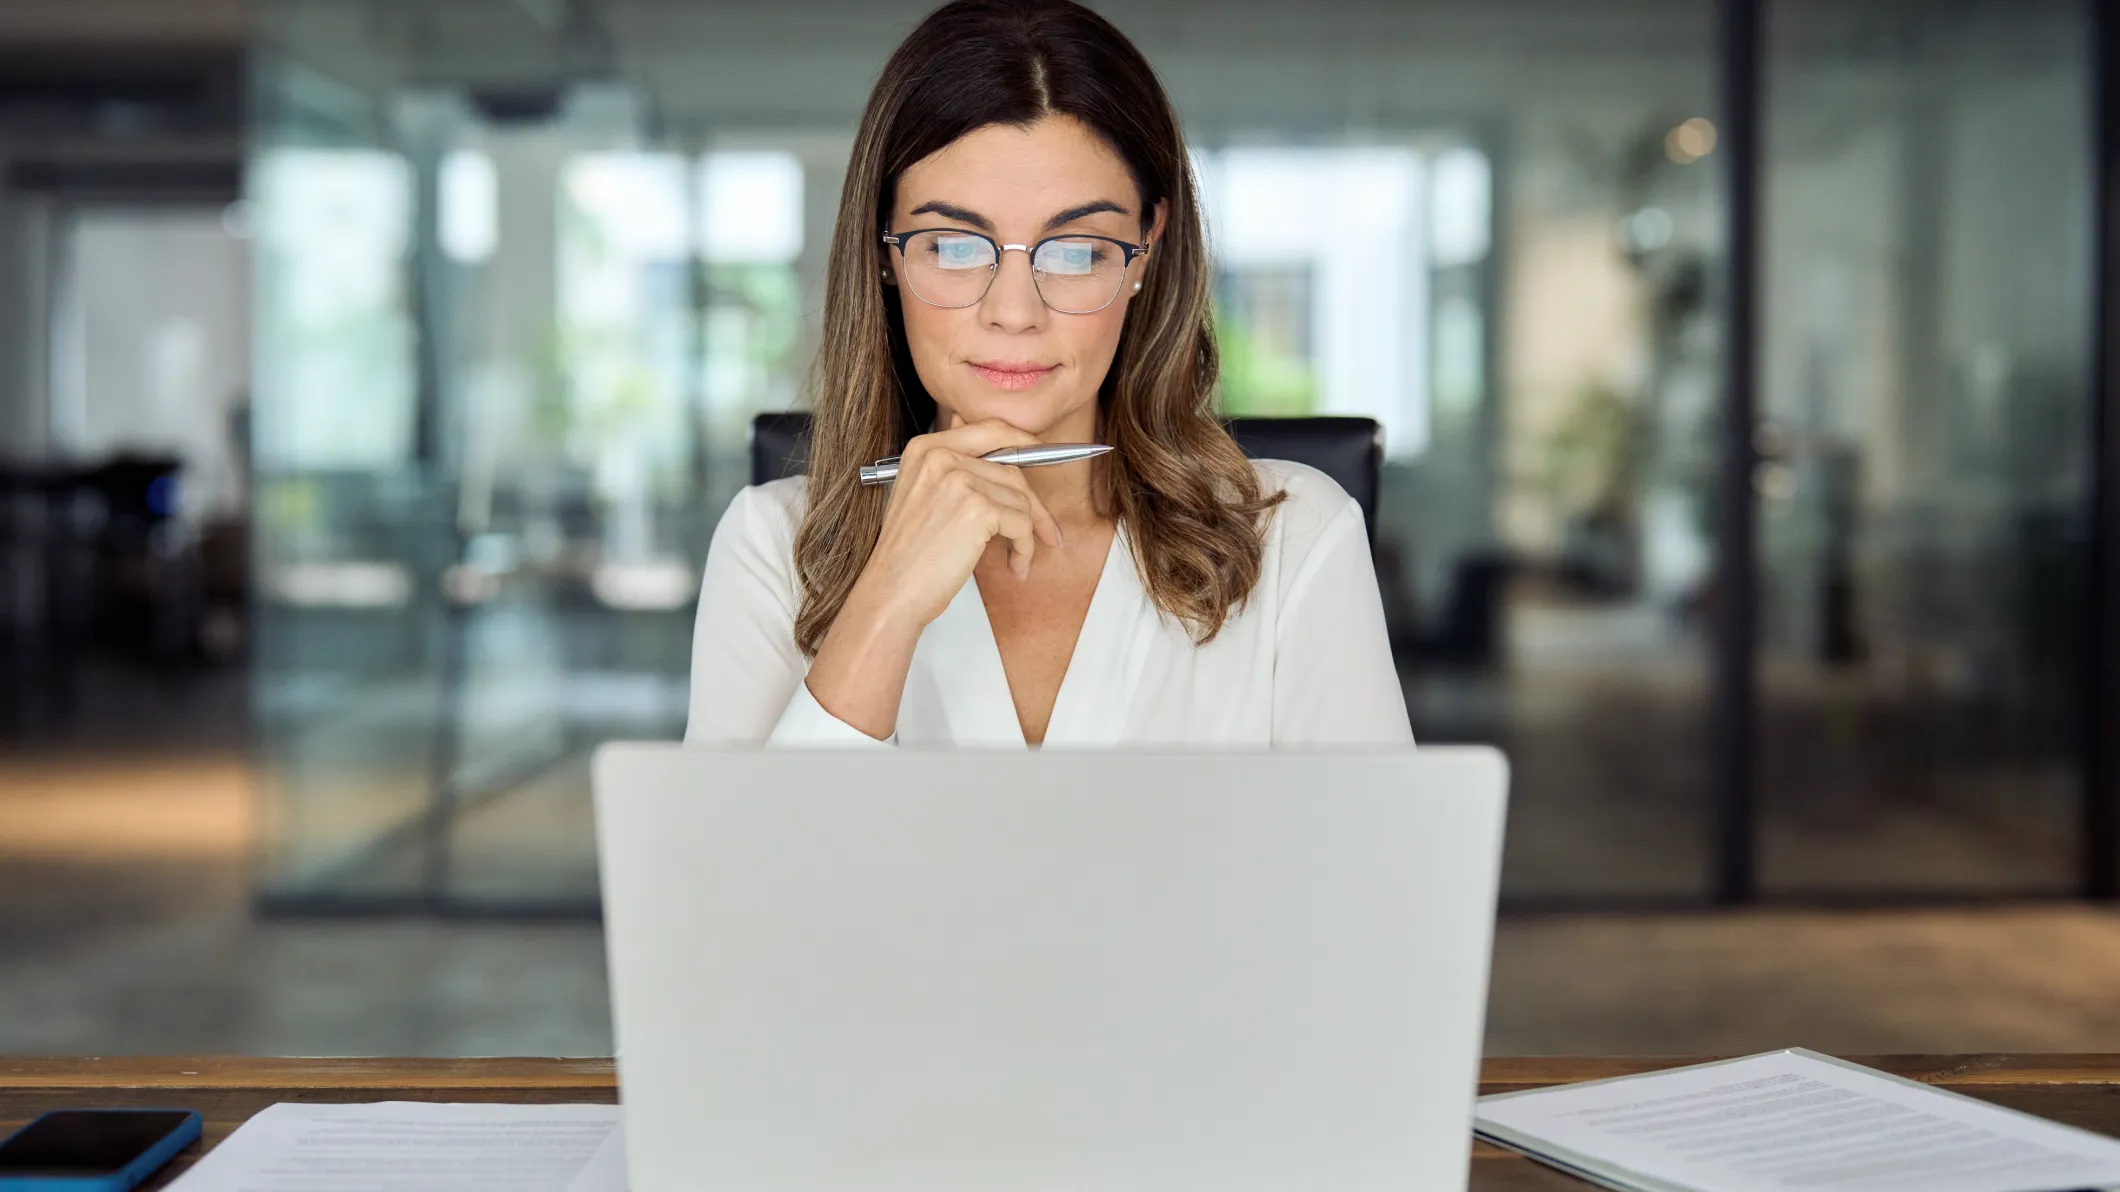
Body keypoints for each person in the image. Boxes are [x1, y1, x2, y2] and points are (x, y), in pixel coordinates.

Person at [686, 0, 1411, 748]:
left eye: (1076, 250)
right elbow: (743, 866)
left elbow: (1384, 865)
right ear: (886, 251)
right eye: (954, 245)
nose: (1014, 313)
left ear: (1147, 250)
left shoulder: (1296, 540)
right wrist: (886, 602)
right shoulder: (770, 546)